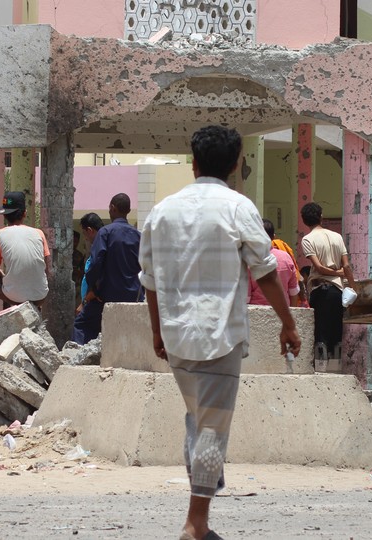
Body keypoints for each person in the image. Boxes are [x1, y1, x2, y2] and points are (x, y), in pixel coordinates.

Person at [138, 125, 301, 540]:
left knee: (199, 418)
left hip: (176, 336)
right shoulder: (238, 207)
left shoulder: (162, 211)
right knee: (212, 425)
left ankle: (201, 509)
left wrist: (157, 332)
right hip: (220, 335)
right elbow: (265, 274)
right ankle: (196, 523)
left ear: (193, 162)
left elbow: (150, 281)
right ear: (235, 164)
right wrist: (287, 322)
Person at [72, 193, 141, 345]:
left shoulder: (106, 233)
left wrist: (92, 289)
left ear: (112, 208)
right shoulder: (137, 235)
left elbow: (96, 263)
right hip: (132, 296)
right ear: (128, 211)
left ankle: (77, 360)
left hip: (106, 296)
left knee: (81, 325)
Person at [0, 191, 51, 313]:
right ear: (24, 213)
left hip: (15, 297)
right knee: (9, 284)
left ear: (4, 215)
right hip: (40, 295)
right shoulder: (39, 233)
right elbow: (47, 269)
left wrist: (2, 275)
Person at [300, 202, 355, 361]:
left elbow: (319, 267)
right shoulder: (337, 236)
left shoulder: (307, 239)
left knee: (320, 333)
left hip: (320, 291)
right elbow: (346, 266)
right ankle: (336, 369)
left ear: (304, 220)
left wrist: (336, 272)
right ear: (321, 217)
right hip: (338, 291)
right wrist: (352, 288)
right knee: (336, 332)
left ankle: (321, 370)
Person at [248, 219, 299, 307]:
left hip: (257, 314)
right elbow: (293, 293)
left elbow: (246, 298)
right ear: (273, 237)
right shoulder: (286, 257)